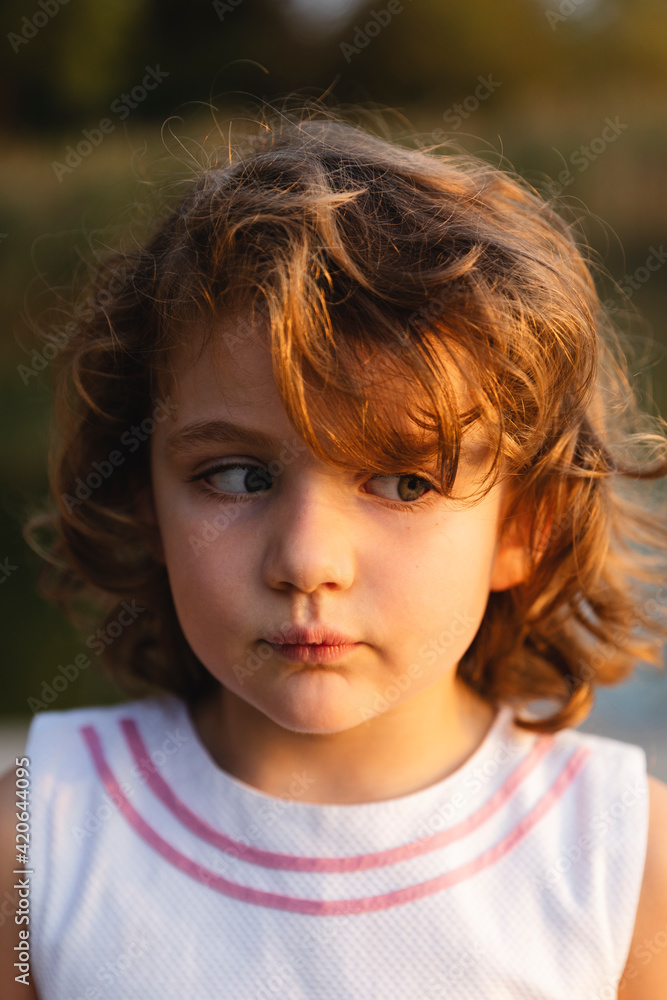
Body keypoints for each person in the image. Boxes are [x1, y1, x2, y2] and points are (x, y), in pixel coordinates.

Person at [1, 100, 667, 999]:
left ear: (525, 526)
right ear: (142, 501)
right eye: (236, 477)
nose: (308, 561)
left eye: (404, 483)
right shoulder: (38, 838)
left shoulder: (622, 862)